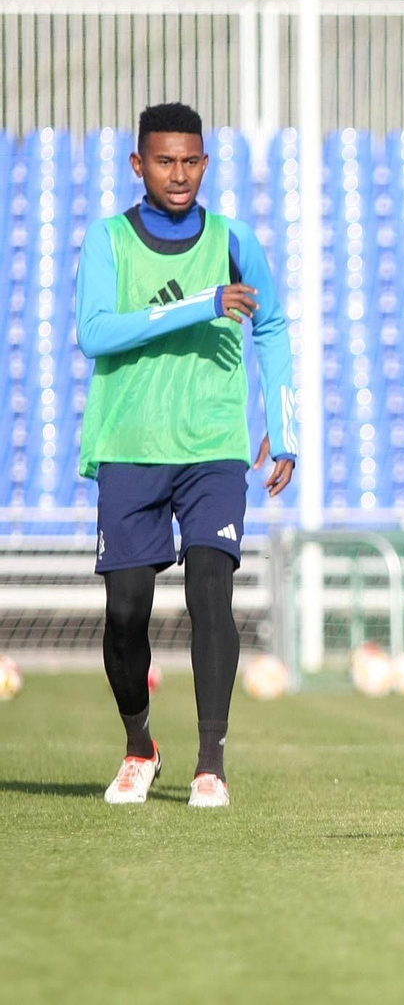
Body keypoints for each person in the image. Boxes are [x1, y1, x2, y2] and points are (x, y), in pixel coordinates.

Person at [77, 102, 296, 808]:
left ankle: (211, 762)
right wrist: (200, 303)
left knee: (211, 585)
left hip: (212, 445)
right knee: (126, 610)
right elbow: (96, 333)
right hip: (130, 443)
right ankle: (141, 745)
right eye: (164, 161)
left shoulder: (234, 238)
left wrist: (282, 425)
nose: (180, 174)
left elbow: (275, 324)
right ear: (138, 165)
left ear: (206, 163)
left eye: (191, 161)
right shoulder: (107, 240)